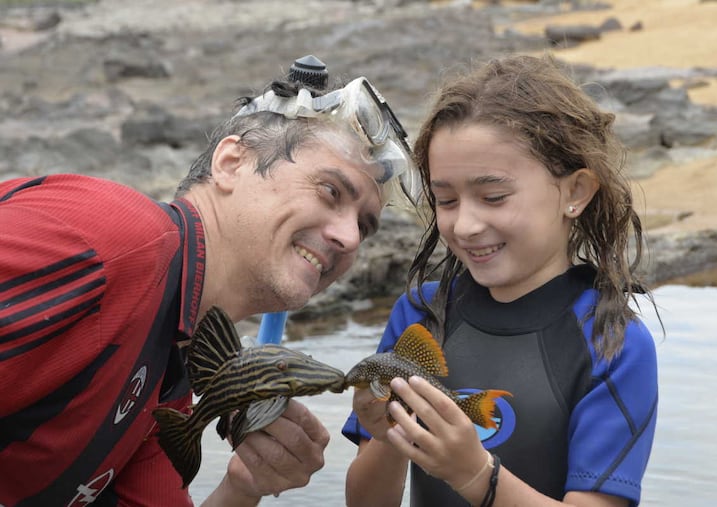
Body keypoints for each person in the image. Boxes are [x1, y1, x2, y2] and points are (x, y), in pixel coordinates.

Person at [0, 57, 414, 506]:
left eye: (365, 226)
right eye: (330, 191)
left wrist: (245, 486)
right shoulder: (110, 241)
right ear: (231, 163)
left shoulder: (172, 369)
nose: (349, 237)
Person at [342, 53, 660, 507]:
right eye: (446, 200)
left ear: (575, 192)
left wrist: (474, 475)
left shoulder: (612, 341)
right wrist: (390, 439)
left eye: (493, 196)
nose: (465, 225)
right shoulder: (420, 314)